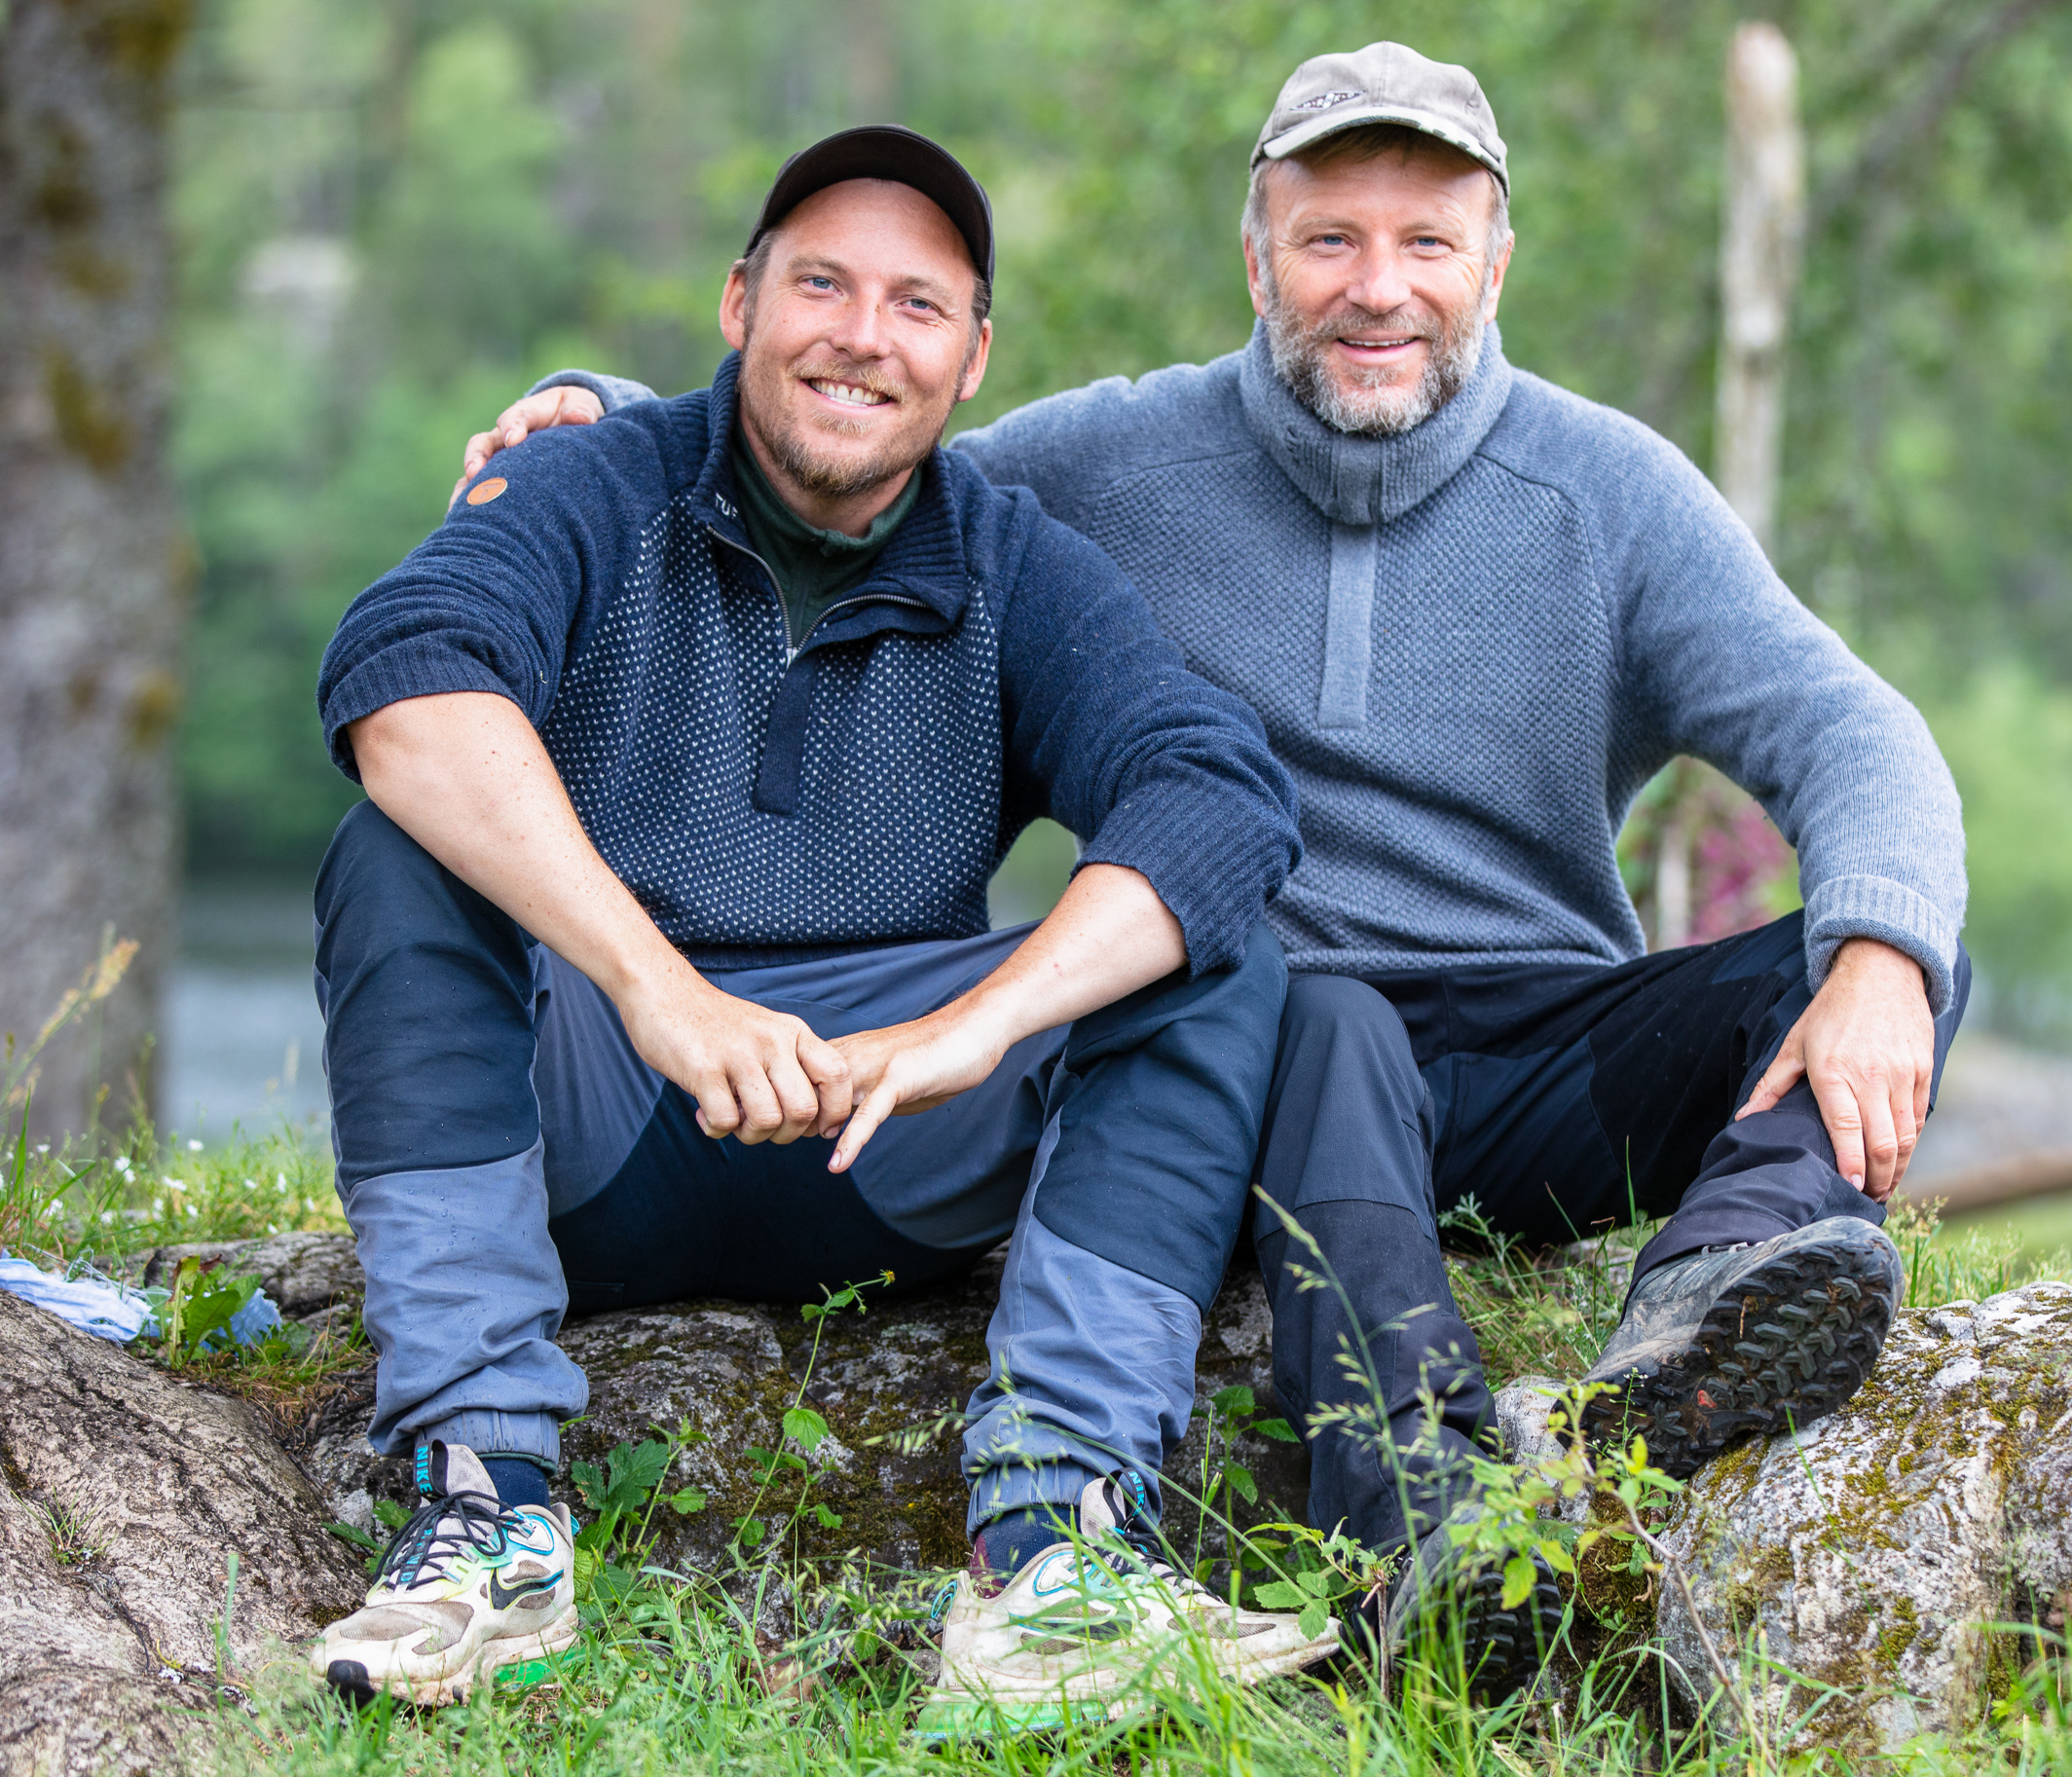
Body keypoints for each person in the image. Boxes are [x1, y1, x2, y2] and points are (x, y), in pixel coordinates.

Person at [476, 42, 1971, 1705]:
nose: (1377, 290)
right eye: (1329, 239)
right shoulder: (1099, 465)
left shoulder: (1608, 492)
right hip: (1251, 1056)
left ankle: (1704, 1304)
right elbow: (850, 433)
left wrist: (1883, 960)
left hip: (1542, 1050)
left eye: (1426, 243)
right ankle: (1430, 1532)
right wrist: (609, 426)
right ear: (1256, 256)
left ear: (1494, 264)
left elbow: (1853, 731)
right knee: (1313, 1007)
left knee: (1878, 943)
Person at [309, 126, 1337, 1731]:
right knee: (399, 848)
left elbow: (1211, 792)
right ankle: (483, 1507)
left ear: (973, 356)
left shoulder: (1014, 565)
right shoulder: (590, 481)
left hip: (891, 1137)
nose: (863, 334)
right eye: (822, 283)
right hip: (598, 1117)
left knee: (1200, 943)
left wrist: (978, 1024)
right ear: (738, 303)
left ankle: (1056, 1552)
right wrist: (653, 988)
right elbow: (402, 668)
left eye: (918, 304)